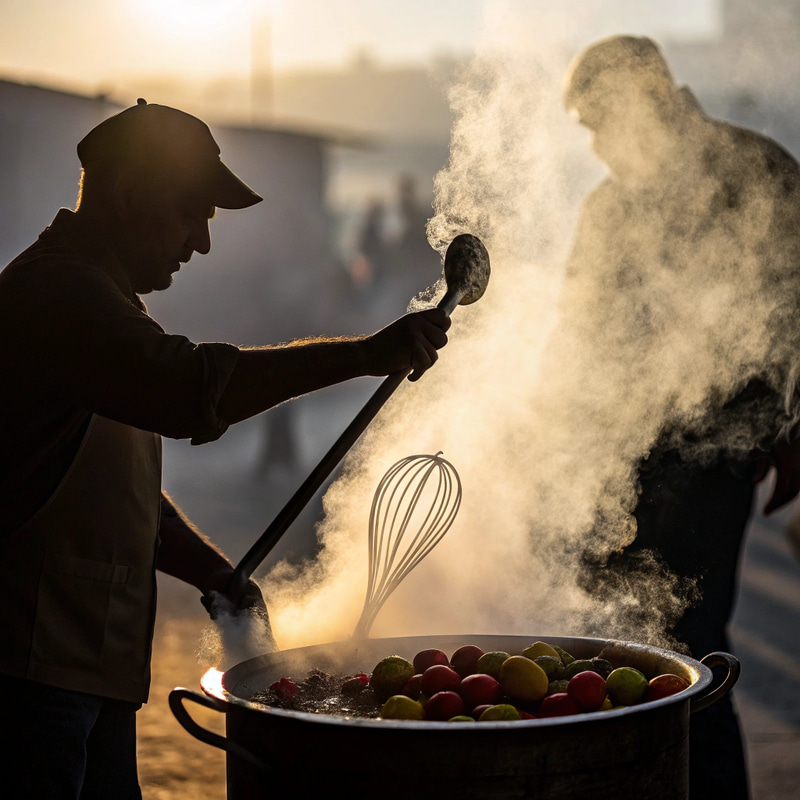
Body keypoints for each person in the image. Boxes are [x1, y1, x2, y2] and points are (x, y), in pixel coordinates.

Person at [0, 99, 450, 798]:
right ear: (128, 196)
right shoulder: (57, 295)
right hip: (26, 684)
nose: (201, 241)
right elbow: (190, 391)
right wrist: (363, 354)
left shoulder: (105, 303)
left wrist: (216, 575)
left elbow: (116, 492)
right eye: (191, 213)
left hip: (85, 675)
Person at [558, 36, 800, 799]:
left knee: (688, 654)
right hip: (617, 462)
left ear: (645, 99)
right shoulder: (608, 206)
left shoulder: (756, 172)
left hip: (713, 460)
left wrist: (794, 434)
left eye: (601, 122)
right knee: (609, 650)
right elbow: (577, 333)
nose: (597, 145)